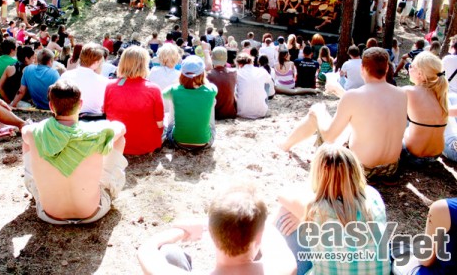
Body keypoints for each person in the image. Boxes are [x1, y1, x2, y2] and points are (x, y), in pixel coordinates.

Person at [281, 47, 408, 181]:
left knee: (316, 111)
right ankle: (286, 145)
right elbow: (373, 108)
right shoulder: (402, 94)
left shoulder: (354, 96)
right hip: (390, 168)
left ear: (362, 68)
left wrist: (319, 112)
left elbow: (329, 136)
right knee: (353, 125)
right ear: (387, 68)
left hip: (360, 169)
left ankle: (285, 145)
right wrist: (341, 92)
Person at [21, 79, 127, 225]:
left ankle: (43, 189)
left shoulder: (35, 132)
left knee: (28, 143)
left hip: (49, 214)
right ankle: (105, 186)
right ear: (80, 104)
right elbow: (121, 128)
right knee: (118, 139)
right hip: (92, 212)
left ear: (51, 106)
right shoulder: (97, 131)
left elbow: (24, 131)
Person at [137, 182, 297, 275]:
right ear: (259, 237)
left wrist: (184, 231)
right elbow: (269, 231)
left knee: (168, 252)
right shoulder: (282, 268)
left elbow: (146, 250)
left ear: (211, 236)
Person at [278, 144, 391, 275]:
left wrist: (301, 214)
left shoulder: (315, 209)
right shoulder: (373, 197)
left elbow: (282, 194)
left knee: (284, 211)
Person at [104, 47, 164, 155]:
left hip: (117, 143)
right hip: (146, 144)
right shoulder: (153, 89)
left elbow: (105, 113)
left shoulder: (110, 86)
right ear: (144, 64)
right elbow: (159, 122)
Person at [402, 52, 449, 161]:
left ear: (420, 73)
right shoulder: (440, 94)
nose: (408, 68)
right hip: (436, 154)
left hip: (413, 154)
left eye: (411, 66)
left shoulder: (408, 91)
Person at [163, 56, 217, 150]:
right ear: (202, 73)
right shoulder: (211, 89)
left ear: (182, 73)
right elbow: (208, 86)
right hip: (204, 142)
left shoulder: (174, 89)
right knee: (211, 101)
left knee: (173, 99)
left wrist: (179, 85)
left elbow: (162, 94)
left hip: (178, 141)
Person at [60, 43, 109, 116]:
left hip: (69, 116)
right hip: (94, 118)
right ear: (97, 62)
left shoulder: (65, 76)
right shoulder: (104, 81)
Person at [235, 53, 274, 119]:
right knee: (265, 82)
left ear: (240, 64)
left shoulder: (237, 73)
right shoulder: (261, 71)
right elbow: (270, 82)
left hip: (242, 112)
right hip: (261, 111)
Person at [207, 47, 237, 119]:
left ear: (212, 58)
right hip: (231, 113)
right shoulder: (233, 73)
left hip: (216, 114)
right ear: (226, 59)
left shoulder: (208, 75)